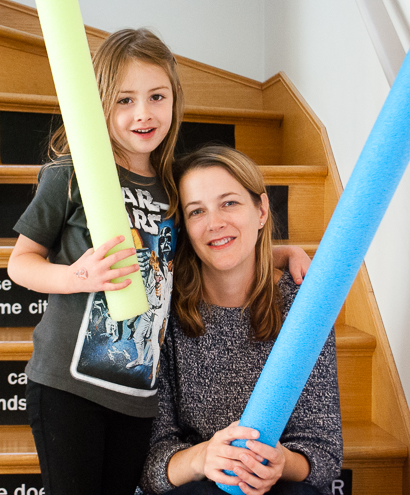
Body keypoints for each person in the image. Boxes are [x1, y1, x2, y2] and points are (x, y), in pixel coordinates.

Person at [7, 29, 312, 494]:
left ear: (174, 101)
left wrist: (276, 250)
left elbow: (200, 247)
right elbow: (20, 262)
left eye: (157, 97)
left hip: (138, 396)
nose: (143, 113)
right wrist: (74, 275)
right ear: (101, 103)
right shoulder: (70, 174)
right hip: (68, 387)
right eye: (125, 100)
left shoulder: (174, 184)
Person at [138, 146, 342, 495]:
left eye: (229, 203)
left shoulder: (303, 307)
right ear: (184, 227)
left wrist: (282, 462)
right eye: (197, 211)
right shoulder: (161, 311)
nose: (215, 223)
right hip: (196, 485)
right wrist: (203, 457)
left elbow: (322, 451)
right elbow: (151, 466)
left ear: (261, 210)